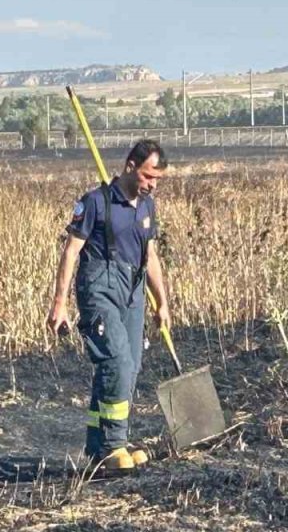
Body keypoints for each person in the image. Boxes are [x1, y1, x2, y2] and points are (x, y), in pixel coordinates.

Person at [46, 139, 171, 472]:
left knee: (128, 367)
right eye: (148, 177)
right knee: (115, 360)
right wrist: (59, 303)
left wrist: (163, 302)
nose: (152, 185)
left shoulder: (147, 207)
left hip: (133, 291)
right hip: (99, 287)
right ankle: (113, 447)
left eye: (157, 179)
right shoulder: (95, 202)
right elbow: (71, 252)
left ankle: (100, 444)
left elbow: (151, 257)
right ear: (130, 166)